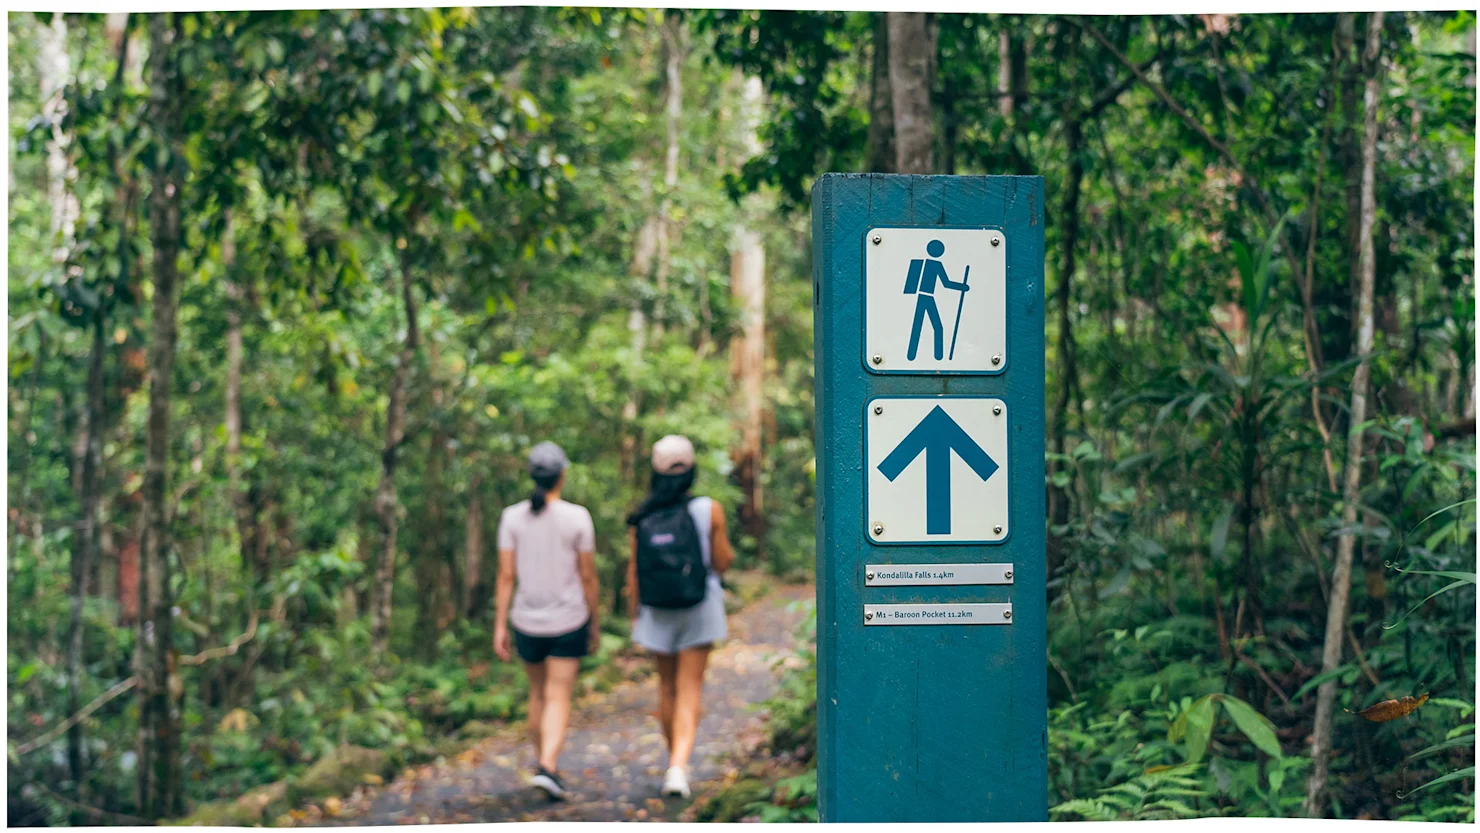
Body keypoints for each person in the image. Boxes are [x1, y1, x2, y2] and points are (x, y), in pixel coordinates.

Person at [625, 435, 734, 799]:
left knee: (666, 688)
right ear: (691, 471)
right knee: (690, 689)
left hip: (656, 610)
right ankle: (678, 767)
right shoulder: (709, 510)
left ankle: (674, 761)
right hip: (699, 608)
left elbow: (633, 574)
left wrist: (635, 618)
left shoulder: (643, 516)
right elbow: (720, 563)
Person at [493, 441, 600, 801]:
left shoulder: (512, 517)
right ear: (562, 476)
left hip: (527, 620)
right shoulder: (578, 517)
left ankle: (544, 763)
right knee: (558, 695)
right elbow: (588, 577)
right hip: (569, 619)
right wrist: (595, 621)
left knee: (538, 693)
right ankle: (548, 766)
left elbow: (505, 576)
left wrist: (500, 625)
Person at [904, 238, 971, 361]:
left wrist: (963, 287)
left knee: (918, 326)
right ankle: (937, 357)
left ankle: (912, 356)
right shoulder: (934, 265)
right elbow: (946, 283)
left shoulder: (917, 263)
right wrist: (963, 287)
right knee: (936, 326)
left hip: (923, 297)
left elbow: (909, 286)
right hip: (926, 298)